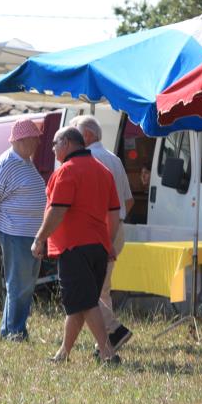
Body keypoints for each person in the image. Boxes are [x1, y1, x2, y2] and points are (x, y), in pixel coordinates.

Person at [32, 126, 121, 364]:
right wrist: (109, 243)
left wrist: (40, 238)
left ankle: (107, 353)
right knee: (79, 303)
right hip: (98, 247)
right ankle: (63, 353)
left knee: (86, 302)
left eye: (54, 143)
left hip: (74, 247)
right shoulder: (104, 172)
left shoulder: (66, 172)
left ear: (68, 143)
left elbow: (58, 210)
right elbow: (114, 214)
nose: (52, 148)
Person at [70, 115, 134, 353]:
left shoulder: (87, 159)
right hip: (116, 228)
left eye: (75, 134)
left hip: (95, 231)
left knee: (88, 290)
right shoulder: (115, 159)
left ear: (86, 135)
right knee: (101, 290)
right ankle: (104, 342)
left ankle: (114, 330)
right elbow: (128, 200)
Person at [0, 119, 47, 341]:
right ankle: (16, 331)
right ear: (22, 140)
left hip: (28, 233)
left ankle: (9, 330)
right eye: (34, 139)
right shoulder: (8, 162)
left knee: (23, 285)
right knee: (20, 285)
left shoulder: (26, 161)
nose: (38, 143)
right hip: (15, 232)